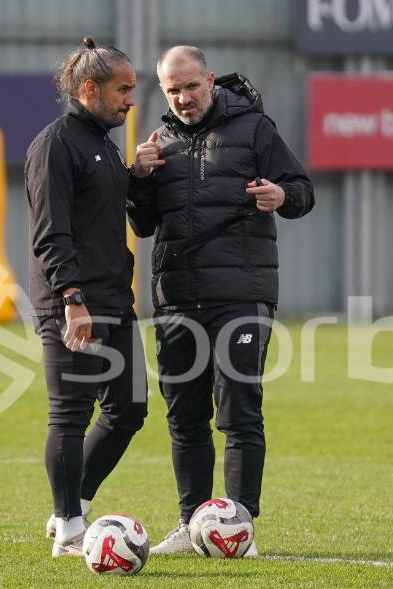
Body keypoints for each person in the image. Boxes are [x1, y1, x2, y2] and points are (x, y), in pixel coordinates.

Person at [127, 46, 315, 555]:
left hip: (242, 294)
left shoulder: (255, 129)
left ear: (210, 80)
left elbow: (302, 190)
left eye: (191, 86)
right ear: (163, 91)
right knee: (184, 415)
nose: (184, 98)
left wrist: (282, 196)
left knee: (238, 410)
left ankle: (240, 525)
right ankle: (190, 523)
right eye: (173, 90)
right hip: (176, 298)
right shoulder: (159, 142)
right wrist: (138, 180)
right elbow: (144, 226)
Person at [25, 38, 148, 558]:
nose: (131, 101)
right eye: (123, 90)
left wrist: (136, 175)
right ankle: (71, 531)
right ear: (89, 89)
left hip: (114, 299)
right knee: (70, 414)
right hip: (72, 302)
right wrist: (71, 298)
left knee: (130, 408)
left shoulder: (104, 145)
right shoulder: (55, 144)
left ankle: (71, 505)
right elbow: (50, 232)